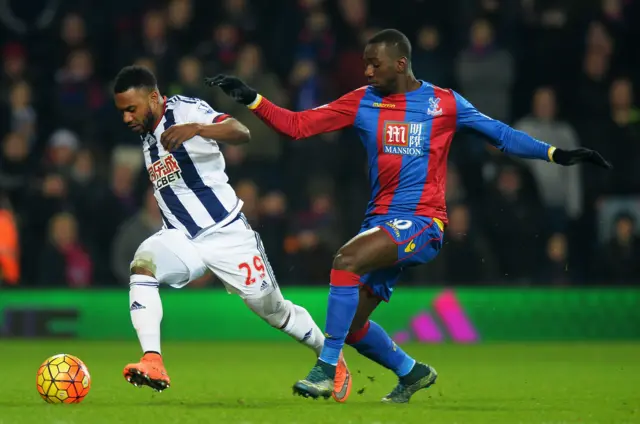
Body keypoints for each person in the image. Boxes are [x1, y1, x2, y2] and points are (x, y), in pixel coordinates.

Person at [206, 29, 612, 403]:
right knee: (350, 325)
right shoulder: (363, 100)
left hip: (423, 223)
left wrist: (555, 154)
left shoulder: (444, 103)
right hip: (379, 223)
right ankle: (411, 371)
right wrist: (252, 98)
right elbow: (297, 125)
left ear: (400, 64)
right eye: (364, 63)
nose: (366, 71)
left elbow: (502, 135)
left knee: (345, 259)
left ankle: (326, 368)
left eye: (374, 64)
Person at [112, 65, 351, 401]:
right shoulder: (147, 136)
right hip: (182, 238)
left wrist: (196, 129)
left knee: (274, 311)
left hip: (228, 235)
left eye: (131, 109)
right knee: (143, 266)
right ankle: (153, 360)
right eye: (122, 111)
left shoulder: (185, 110)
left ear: (153, 98)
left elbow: (241, 131)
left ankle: (331, 357)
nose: (126, 117)